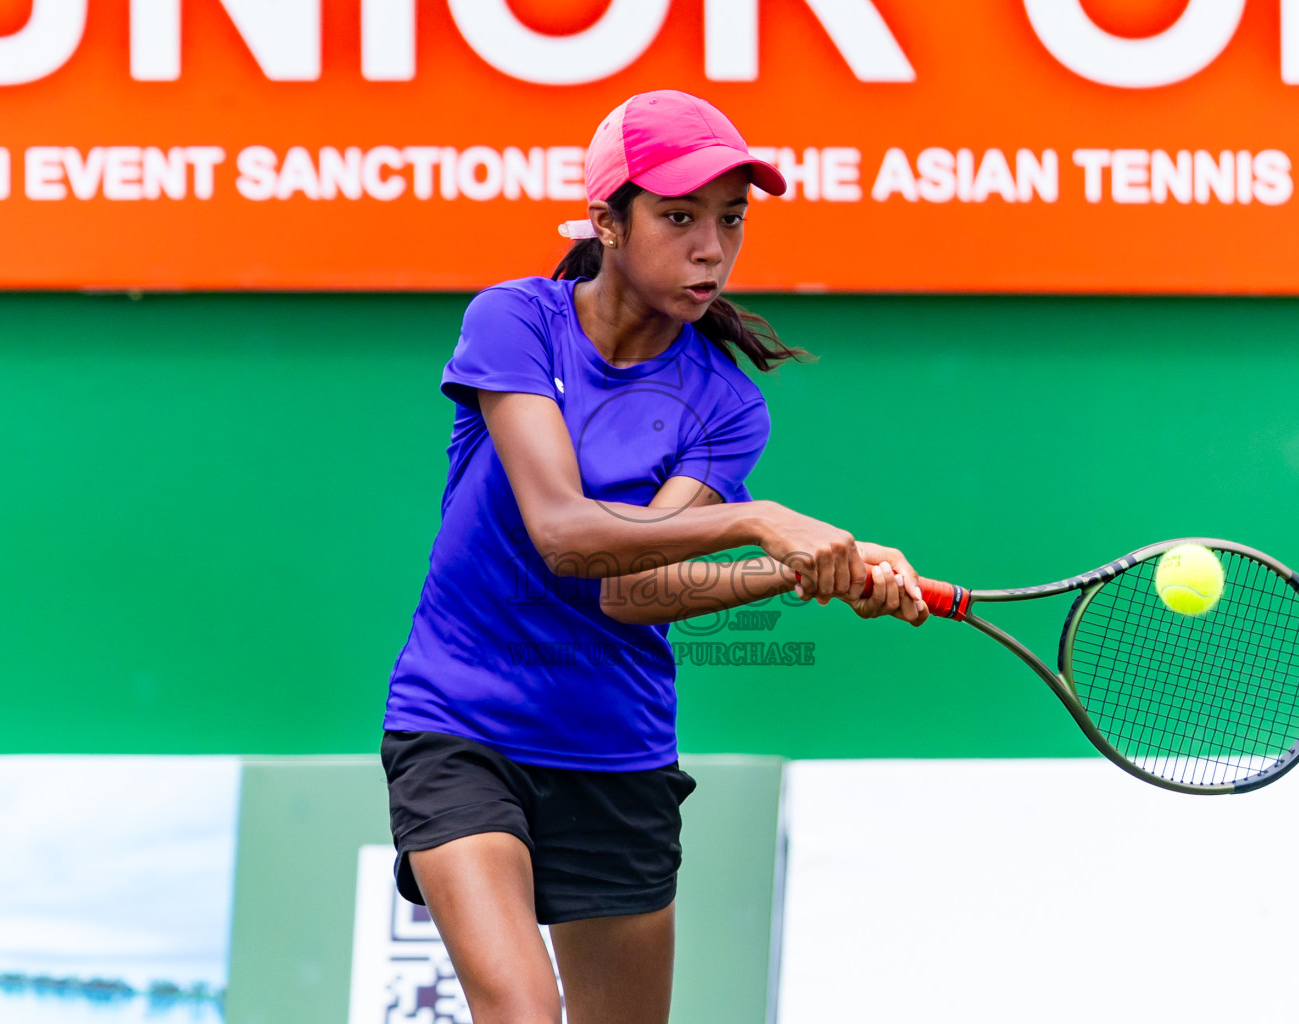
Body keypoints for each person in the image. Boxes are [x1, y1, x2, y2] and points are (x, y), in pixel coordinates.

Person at [380, 89, 928, 1024]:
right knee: (520, 1012)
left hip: (615, 751)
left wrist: (802, 569)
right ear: (606, 221)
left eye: (730, 220)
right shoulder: (516, 322)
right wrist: (762, 522)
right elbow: (562, 532)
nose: (711, 247)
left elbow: (634, 593)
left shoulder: (724, 402)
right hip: (460, 725)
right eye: (679, 218)